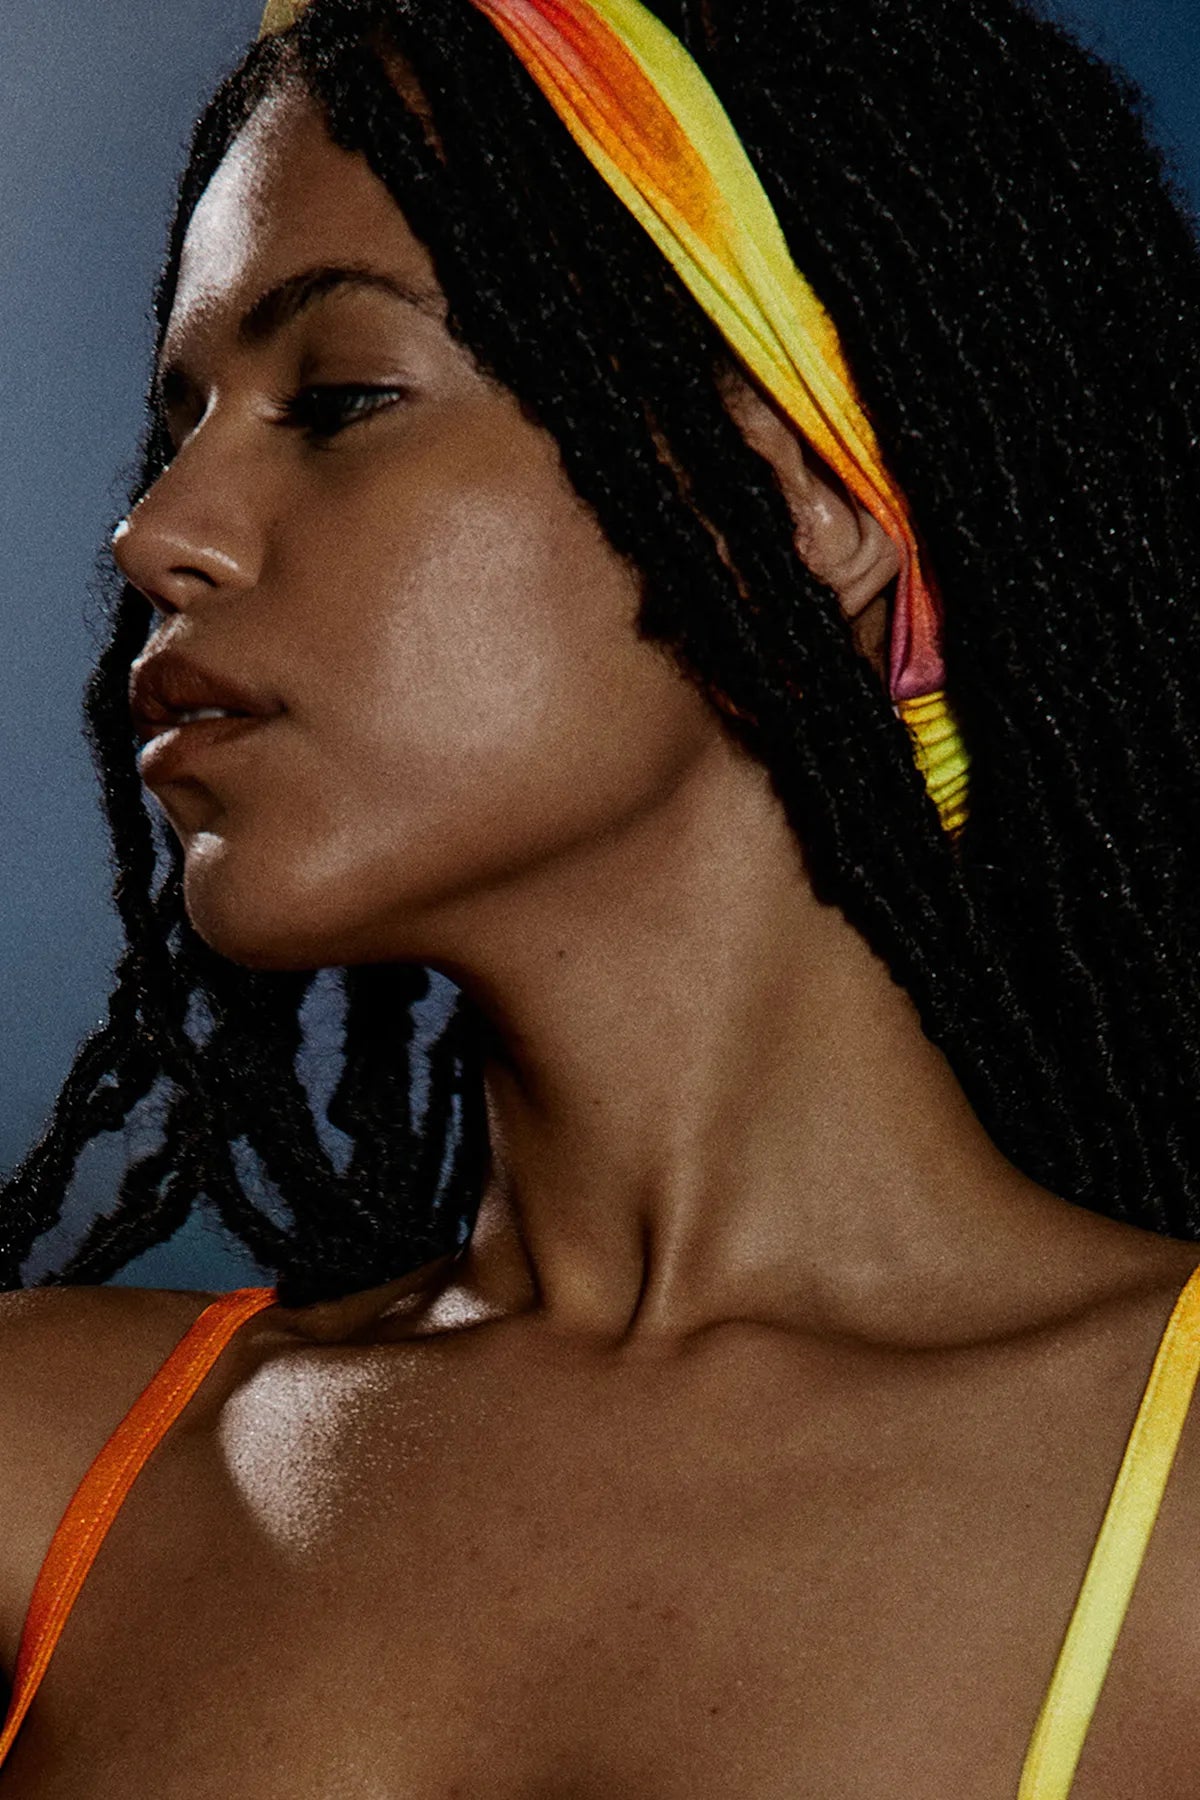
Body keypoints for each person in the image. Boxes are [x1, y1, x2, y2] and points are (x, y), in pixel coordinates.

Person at [1, 0, 1199, 1790]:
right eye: (181, 421)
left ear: (793, 504)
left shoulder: (1171, 1513)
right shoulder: (47, 1474)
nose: (157, 532)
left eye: (340, 400)